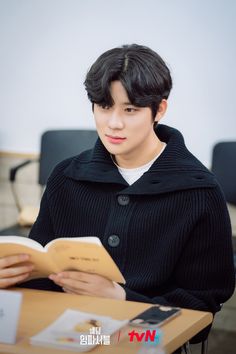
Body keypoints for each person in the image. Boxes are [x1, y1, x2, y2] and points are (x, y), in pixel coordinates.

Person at [0, 44, 235, 341]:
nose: (114, 123)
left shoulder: (200, 192)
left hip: (148, 340)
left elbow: (201, 310)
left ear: (159, 109)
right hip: (64, 335)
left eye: (130, 110)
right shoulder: (65, 177)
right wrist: (12, 278)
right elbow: (42, 278)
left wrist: (121, 298)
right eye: (104, 106)